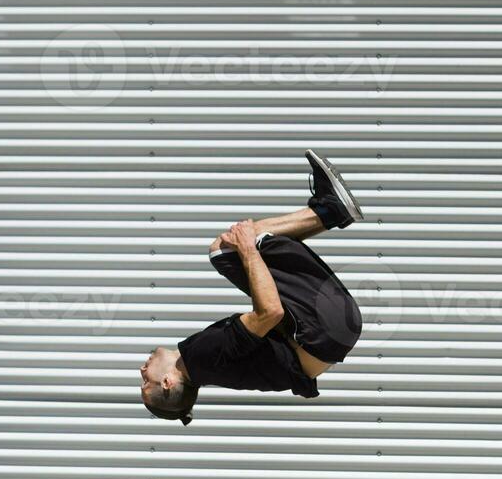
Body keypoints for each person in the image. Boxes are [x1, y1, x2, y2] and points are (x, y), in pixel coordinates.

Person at [140, 150, 364, 425]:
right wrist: (247, 249)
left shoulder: (211, 367)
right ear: (167, 382)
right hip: (320, 328)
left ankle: (329, 211)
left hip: (335, 331)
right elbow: (270, 312)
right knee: (226, 251)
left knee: (238, 252)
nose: (142, 368)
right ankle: (329, 210)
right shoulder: (203, 357)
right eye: (144, 379)